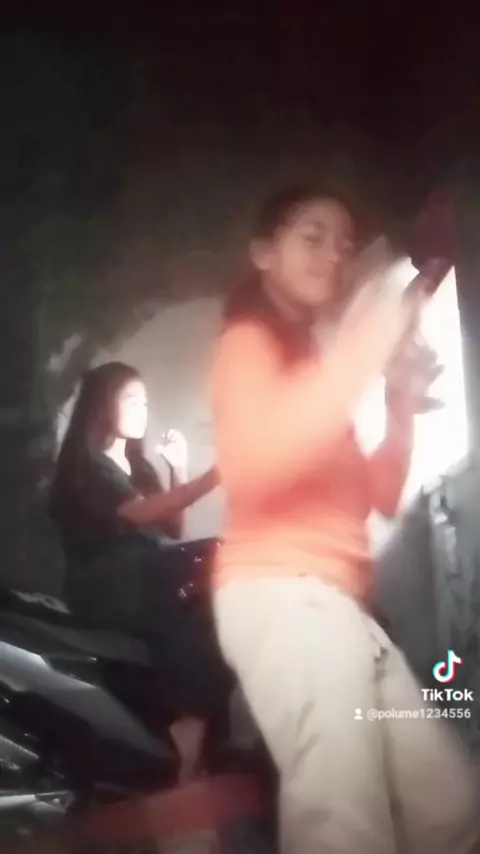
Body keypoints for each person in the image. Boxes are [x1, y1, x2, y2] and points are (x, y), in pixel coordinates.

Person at [209, 186, 478, 854]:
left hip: (341, 611)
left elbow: (378, 495)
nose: (335, 253)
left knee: (449, 809)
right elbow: (261, 466)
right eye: (313, 235)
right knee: (344, 823)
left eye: (345, 243)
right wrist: (374, 334)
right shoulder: (246, 345)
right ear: (262, 252)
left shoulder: (312, 372)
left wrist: (399, 403)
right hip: (284, 597)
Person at [49, 361, 232, 734]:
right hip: (107, 585)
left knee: (214, 575)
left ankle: (201, 722)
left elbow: (173, 526)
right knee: (194, 563)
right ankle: (190, 717)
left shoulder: (139, 465)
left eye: (145, 403)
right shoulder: (88, 469)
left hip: (149, 575)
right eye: (131, 400)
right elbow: (143, 512)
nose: (142, 411)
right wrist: (215, 475)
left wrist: (177, 468)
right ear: (102, 406)